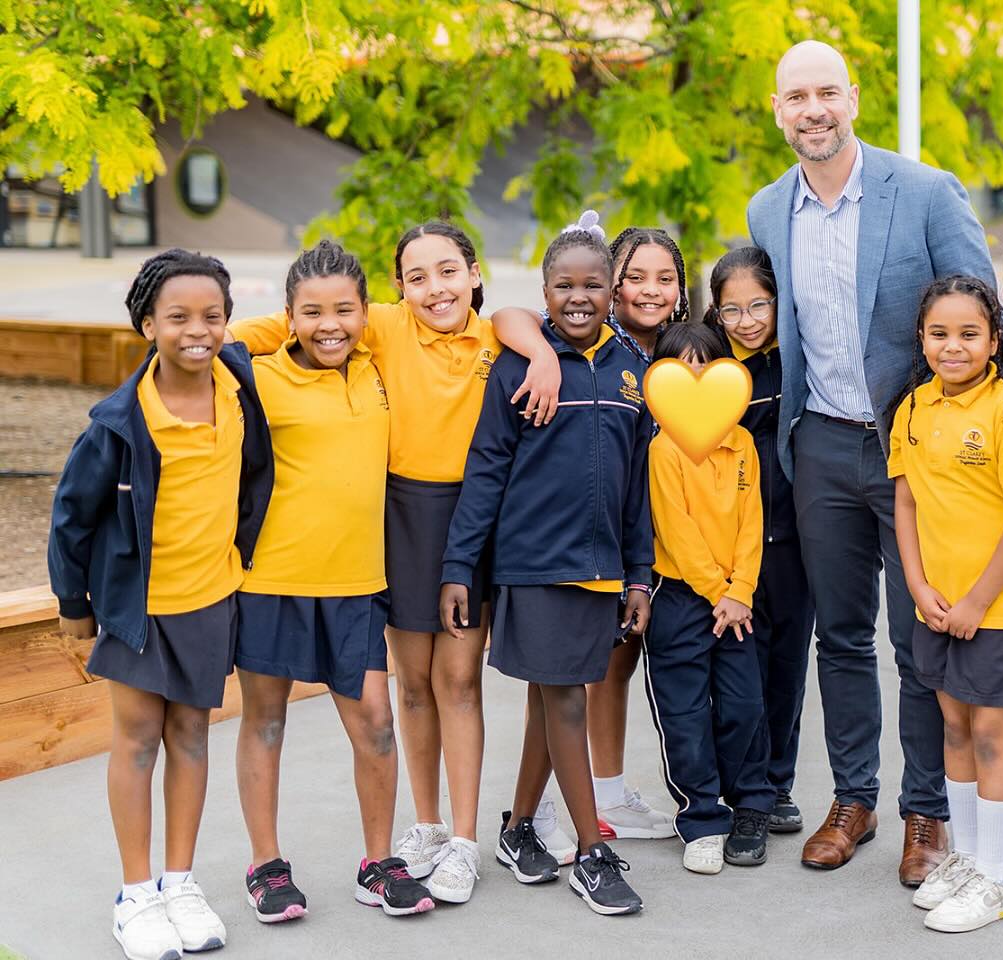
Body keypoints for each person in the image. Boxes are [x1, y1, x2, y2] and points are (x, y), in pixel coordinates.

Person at [746, 39, 1003, 884]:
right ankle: (854, 798)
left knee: (918, 636)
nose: (813, 111)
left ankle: (927, 811)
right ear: (778, 110)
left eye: (826, 93)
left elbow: (987, 315)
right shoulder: (767, 209)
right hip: (821, 443)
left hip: (923, 450)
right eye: (796, 97)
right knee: (839, 634)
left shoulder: (927, 191)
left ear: (855, 97)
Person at [226, 222, 560, 897]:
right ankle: (428, 825)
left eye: (447, 271)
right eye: (416, 277)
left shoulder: (498, 337)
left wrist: (545, 356)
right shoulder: (377, 324)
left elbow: (520, 315)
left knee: (458, 680)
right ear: (398, 288)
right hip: (399, 517)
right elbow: (267, 331)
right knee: (411, 685)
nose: (434, 288)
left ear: (472, 272)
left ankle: (464, 839)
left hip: (469, 517)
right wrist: (271, 328)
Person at [49, 249, 271, 960]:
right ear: (148, 324)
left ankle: (180, 882)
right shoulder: (119, 421)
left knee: (193, 737)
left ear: (228, 323)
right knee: (139, 740)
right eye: (177, 317)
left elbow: (255, 474)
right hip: (137, 609)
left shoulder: (240, 387)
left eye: (212, 316)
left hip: (211, 598)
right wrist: (72, 602)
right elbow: (72, 514)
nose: (196, 330)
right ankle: (136, 894)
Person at [440, 212, 653, 917]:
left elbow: (636, 486)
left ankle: (516, 827)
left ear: (613, 289)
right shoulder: (519, 366)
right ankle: (592, 851)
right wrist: (458, 566)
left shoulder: (631, 373)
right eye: (564, 285)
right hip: (533, 564)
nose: (579, 297)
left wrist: (639, 573)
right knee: (566, 697)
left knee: (548, 697)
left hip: (602, 566)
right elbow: (486, 470)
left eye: (594, 284)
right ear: (545, 291)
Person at [227, 240, 435, 921]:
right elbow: (219, 338)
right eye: (311, 313)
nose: (329, 326)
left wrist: (355, 318)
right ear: (287, 316)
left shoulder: (378, 361)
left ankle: (377, 864)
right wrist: (276, 321)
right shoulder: (257, 374)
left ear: (365, 313)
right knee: (265, 720)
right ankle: (267, 866)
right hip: (272, 582)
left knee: (376, 724)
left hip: (355, 585)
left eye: (345, 310)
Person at [890, 276, 1003, 933]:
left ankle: (994, 879)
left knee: (993, 734)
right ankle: (964, 859)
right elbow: (905, 502)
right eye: (939, 334)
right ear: (922, 340)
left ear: (995, 341)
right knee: (954, 728)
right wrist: (917, 585)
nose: (952, 346)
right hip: (937, 604)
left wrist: (977, 603)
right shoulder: (913, 409)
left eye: (968, 334)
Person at [642, 323, 773, 874]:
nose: (695, 379)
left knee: (743, 705)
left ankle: (750, 805)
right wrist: (719, 591)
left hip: (736, 604)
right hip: (682, 598)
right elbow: (677, 531)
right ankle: (700, 817)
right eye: (682, 369)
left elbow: (751, 521)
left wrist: (740, 591)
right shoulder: (663, 448)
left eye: (707, 367)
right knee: (686, 714)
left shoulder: (741, 443)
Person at [575, 226, 687, 846]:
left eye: (664, 278)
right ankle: (599, 794)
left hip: (678, 532)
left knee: (642, 660)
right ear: (612, 283)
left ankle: (614, 790)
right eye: (635, 277)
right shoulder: (593, 345)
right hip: (613, 527)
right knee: (606, 666)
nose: (650, 290)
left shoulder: (687, 352)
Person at [703, 246, 815, 834]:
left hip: (796, 539)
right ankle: (739, 784)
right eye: (731, 309)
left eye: (759, 305)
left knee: (786, 666)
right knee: (738, 670)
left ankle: (778, 780)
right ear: (714, 313)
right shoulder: (707, 367)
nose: (747, 320)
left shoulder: (796, 359)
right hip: (730, 546)